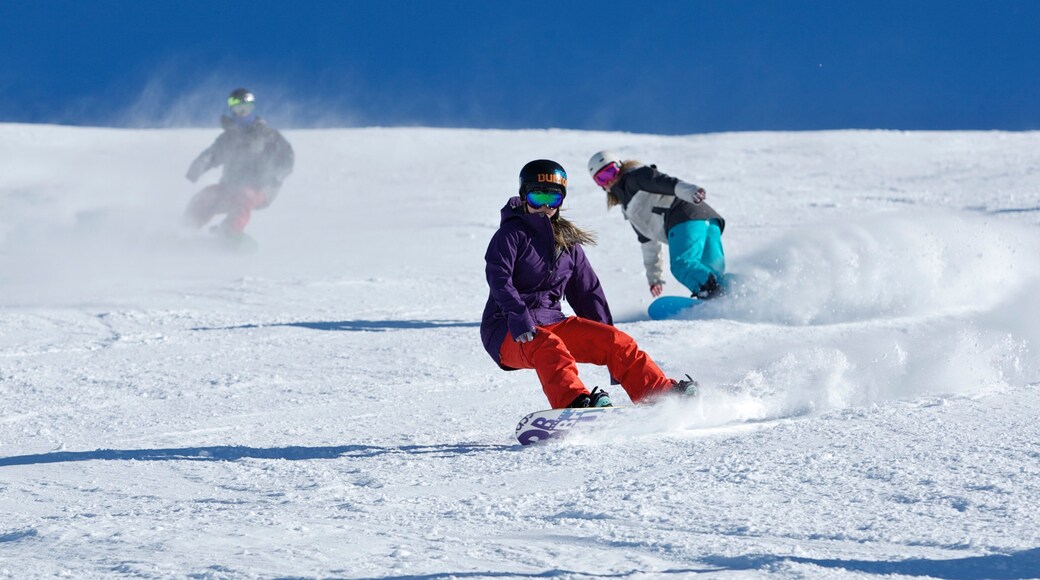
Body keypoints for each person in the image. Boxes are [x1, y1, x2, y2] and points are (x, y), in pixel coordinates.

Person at [481, 159, 698, 409]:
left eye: (551, 199)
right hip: (507, 329)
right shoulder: (510, 235)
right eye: (536, 197)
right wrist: (519, 318)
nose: (543, 206)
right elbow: (499, 280)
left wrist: (609, 346)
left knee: (617, 341)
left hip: (551, 321)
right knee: (548, 346)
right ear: (523, 197)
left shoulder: (568, 243)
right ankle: (574, 403)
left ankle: (657, 394)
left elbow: (587, 292)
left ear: (560, 201)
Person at [587, 150, 726, 299]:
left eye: (610, 172)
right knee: (711, 271)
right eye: (601, 178)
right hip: (708, 221)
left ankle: (712, 295)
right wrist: (654, 278)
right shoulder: (628, 208)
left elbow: (660, 181)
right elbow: (648, 242)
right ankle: (729, 293)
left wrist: (689, 190)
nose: (608, 180)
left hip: (683, 216)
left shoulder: (635, 177)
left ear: (619, 166)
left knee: (683, 265)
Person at [184, 88, 294, 238]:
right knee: (207, 195)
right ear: (232, 110)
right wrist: (199, 166)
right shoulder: (229, 138)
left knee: (244, 195)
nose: (242, 112)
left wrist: (275, 176)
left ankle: (230, 231)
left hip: (261, 188)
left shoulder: (268, 135)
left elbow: (287, 157)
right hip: (231, 186)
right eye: (237, 108)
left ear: (252, 108)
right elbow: (212, 154)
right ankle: (187, 226)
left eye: (246, 108)